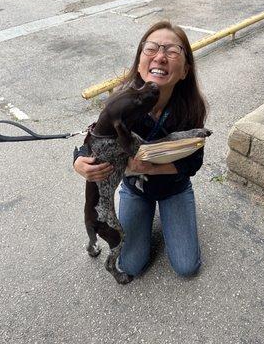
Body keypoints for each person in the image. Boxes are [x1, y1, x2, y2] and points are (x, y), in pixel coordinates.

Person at [74, 21, 208, 278]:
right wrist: (79, 161)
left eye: (172, 51)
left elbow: (194, 162)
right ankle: (147, 217)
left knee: (187, 267)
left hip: (174, 189)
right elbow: (92, 138)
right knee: (131, 265)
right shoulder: (122, 102)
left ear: (185, 70)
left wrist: (150, 167)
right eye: (151, 48)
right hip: (136, 190)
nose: (160, 56)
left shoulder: (190, 108)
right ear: (139, 62)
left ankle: (173, 212)